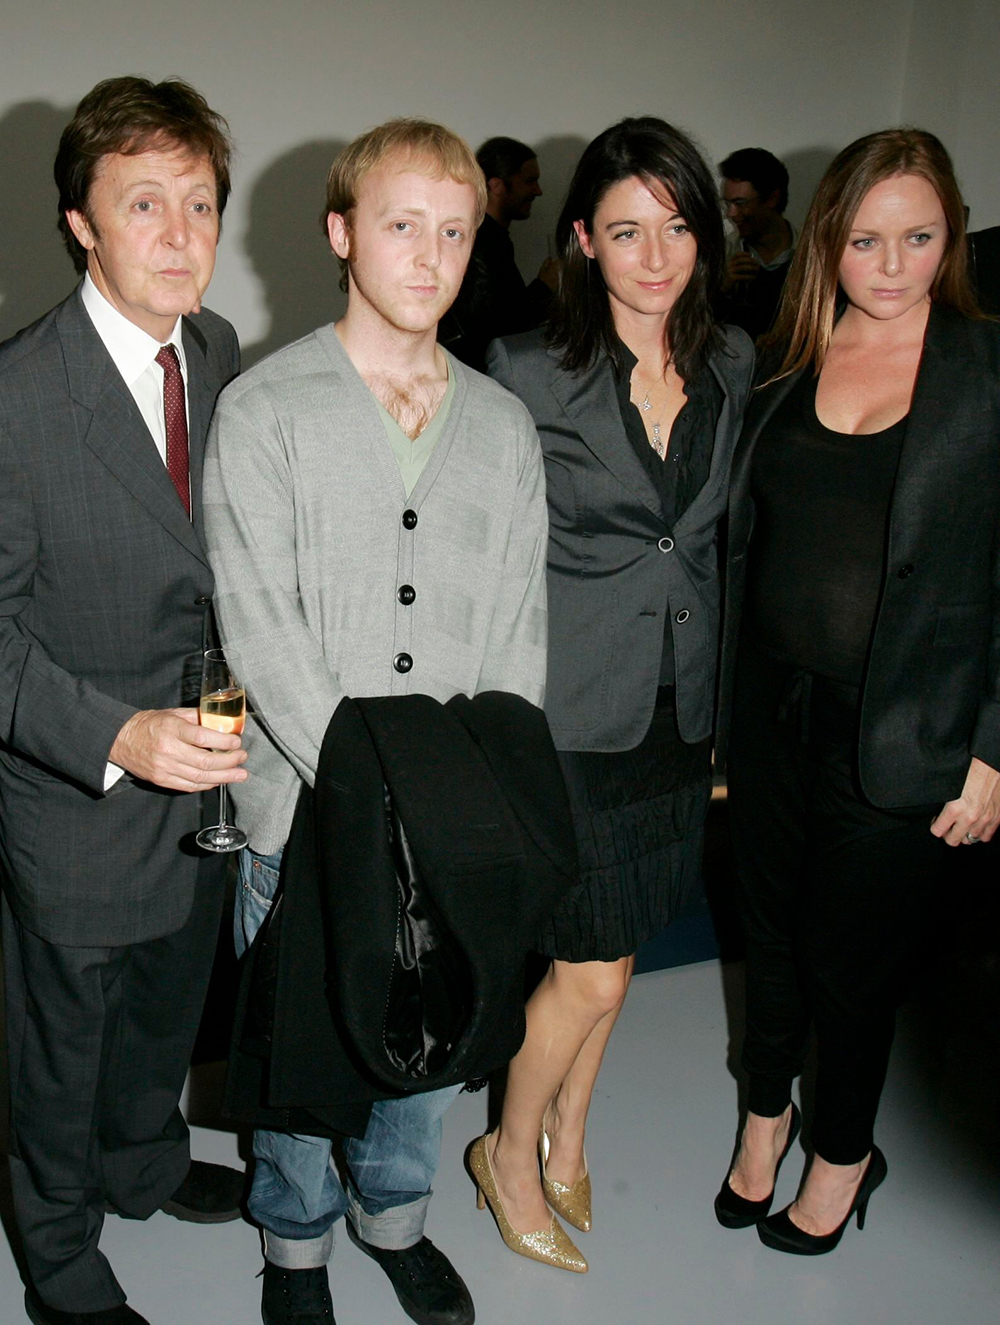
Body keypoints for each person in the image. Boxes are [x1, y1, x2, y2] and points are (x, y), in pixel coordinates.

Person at [203, 118, 549, 1325]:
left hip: (452, 820)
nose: (430, 254)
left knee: (434, 1037)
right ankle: (292, 1243)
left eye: (456, 231)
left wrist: (477, 807)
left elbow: (518, 632)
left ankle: (393, 1217)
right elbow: (258, 625)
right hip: (306, 808)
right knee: (309, 1050)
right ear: (343, 233)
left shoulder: (504, 429)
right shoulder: (266, 410)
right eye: (402, 224)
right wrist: (367, 784)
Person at [713, 128, 1000, 1254]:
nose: (891, 264)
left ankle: (843, 1152)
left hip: (908, 726)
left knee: (853, 963)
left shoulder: (985, 371)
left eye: (919, 237)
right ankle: (762, 1117)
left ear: (951, 237)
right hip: (772, 709)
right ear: (829, 240)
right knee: (767, 937)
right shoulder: (780, 367)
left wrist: (993, 744)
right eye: (867, 239)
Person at [479, 116, 754, 1270]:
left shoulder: (734, 362)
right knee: (583, 962)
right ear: (583, 237)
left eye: (678, 226)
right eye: (627, 229)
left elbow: (722, 546)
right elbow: (484, 552)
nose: (655, 254)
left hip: (677, 711)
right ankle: (505, 1147)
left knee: (625, 951)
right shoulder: (524, 369)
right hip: (567, 713)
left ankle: (569, 1132)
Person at [0, 77, 245, 1325]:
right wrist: (117, 735)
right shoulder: (17, 397)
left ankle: (143, 1160)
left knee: (166, 1000)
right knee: (62, 1041)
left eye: (199, 202)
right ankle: (52, 1245)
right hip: (79, 786)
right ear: (80, 223)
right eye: (143, 202)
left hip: (201, 773)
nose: (179, 232)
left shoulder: (214, 349)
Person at [441, 136, 557, 370]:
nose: (539, 191)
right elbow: (496, 328)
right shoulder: (483, 242)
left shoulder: (488, 237)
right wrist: (545, 287)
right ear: (496, 185)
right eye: (529, 181)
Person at [718, 148, 795, 340]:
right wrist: (721, 289)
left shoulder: (812, 254)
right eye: (727, 204)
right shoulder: (721, 253)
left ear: (772, 198)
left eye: (740, 203)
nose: (731, 214)